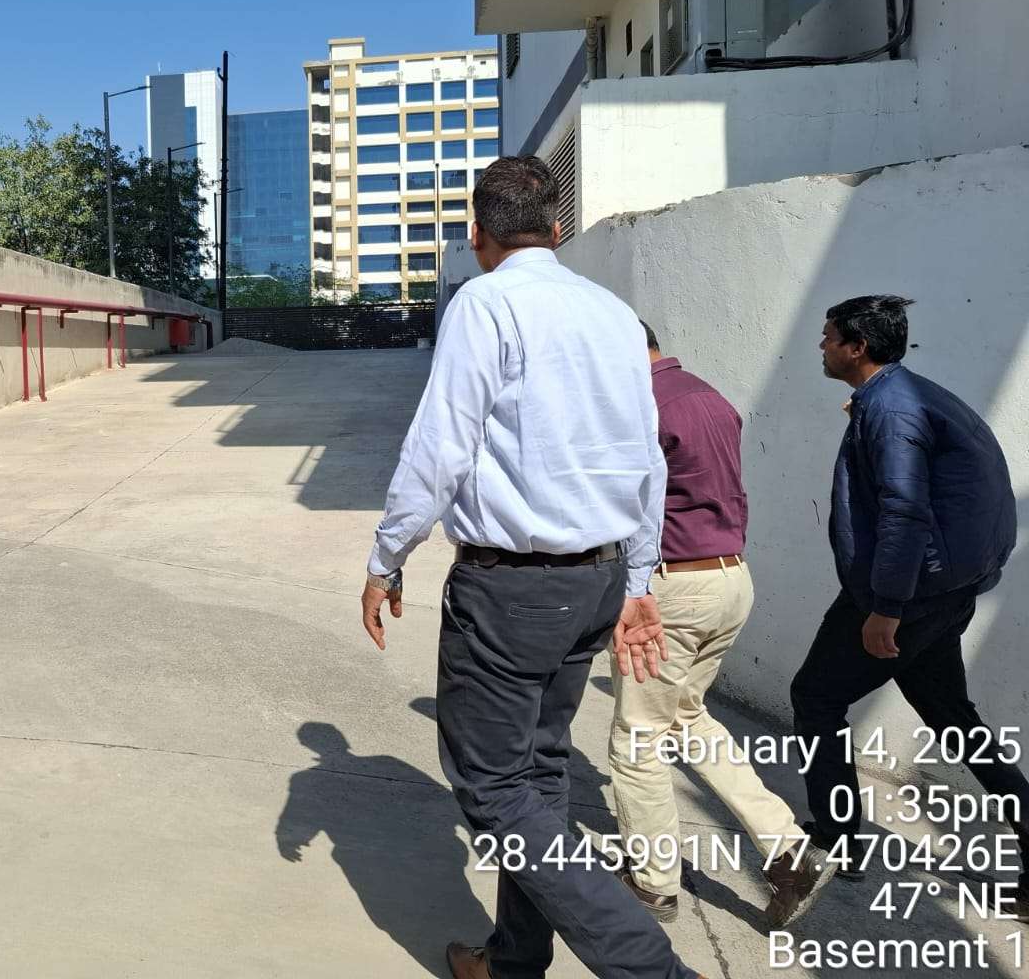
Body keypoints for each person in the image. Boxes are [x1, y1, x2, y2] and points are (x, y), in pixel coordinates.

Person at [360, 156, 707, 979]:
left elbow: (440, 445)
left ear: (477, 235)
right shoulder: (613, 314)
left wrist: (387, 558)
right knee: (539, 776)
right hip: (595, 582)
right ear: (556, 229)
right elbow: (646, 458)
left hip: (513, 589)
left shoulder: (486, 303)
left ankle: (651, 969)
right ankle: (513, 961)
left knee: (492, 788)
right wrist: (635, 581)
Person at [792, 295, 1026, 908]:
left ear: (857, 347)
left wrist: (886, 608)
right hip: (944, 593)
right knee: (954, 719)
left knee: (816, 698)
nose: (821, 346)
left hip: (905, 597)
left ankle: (838, 842)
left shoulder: (892, 409)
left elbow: (904, 510)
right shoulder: (905, 395)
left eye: (829, 337)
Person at [608, 323, 835, 931]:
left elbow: (625, 504)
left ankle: (653, 882)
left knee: (637, 740)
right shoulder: (708, 395)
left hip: (674, 587)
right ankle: (788, 848)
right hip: (729, 577)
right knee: (686, 717)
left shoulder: (642, 404)